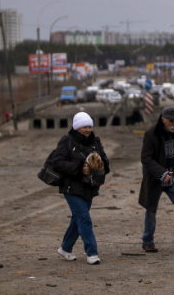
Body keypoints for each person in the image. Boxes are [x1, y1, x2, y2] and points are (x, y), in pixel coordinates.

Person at [51, 112, 110, 265]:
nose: (88, 129)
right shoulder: (66, 141)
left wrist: (102, 164)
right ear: (77, 127)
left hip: (89, 187)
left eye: (89, 126)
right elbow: (57, 162)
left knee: (78, 220)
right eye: (84, 126)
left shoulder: (95, 142)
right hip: (71, 187)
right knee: (84, 219)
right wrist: (79, 169)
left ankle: (65, 248)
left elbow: (105, 159)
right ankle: (92, 253)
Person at [139, 106, 174, 252]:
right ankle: (148, 241)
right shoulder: (151, 134)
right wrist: (162, 173)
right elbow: (146, 158)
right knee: (151, 209)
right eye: (171, 121)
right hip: (155, 178)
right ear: (163, 119)